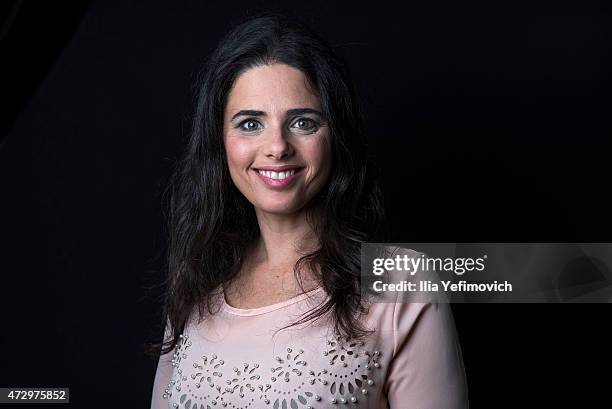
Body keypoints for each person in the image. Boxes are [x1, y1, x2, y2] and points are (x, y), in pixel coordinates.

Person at [149, 12, 468, 409]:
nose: (277, 146)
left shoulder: (400, 285)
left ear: (336, 136)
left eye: (302, 121)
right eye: (250, 124)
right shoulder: (197, 285)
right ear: (220, 142)